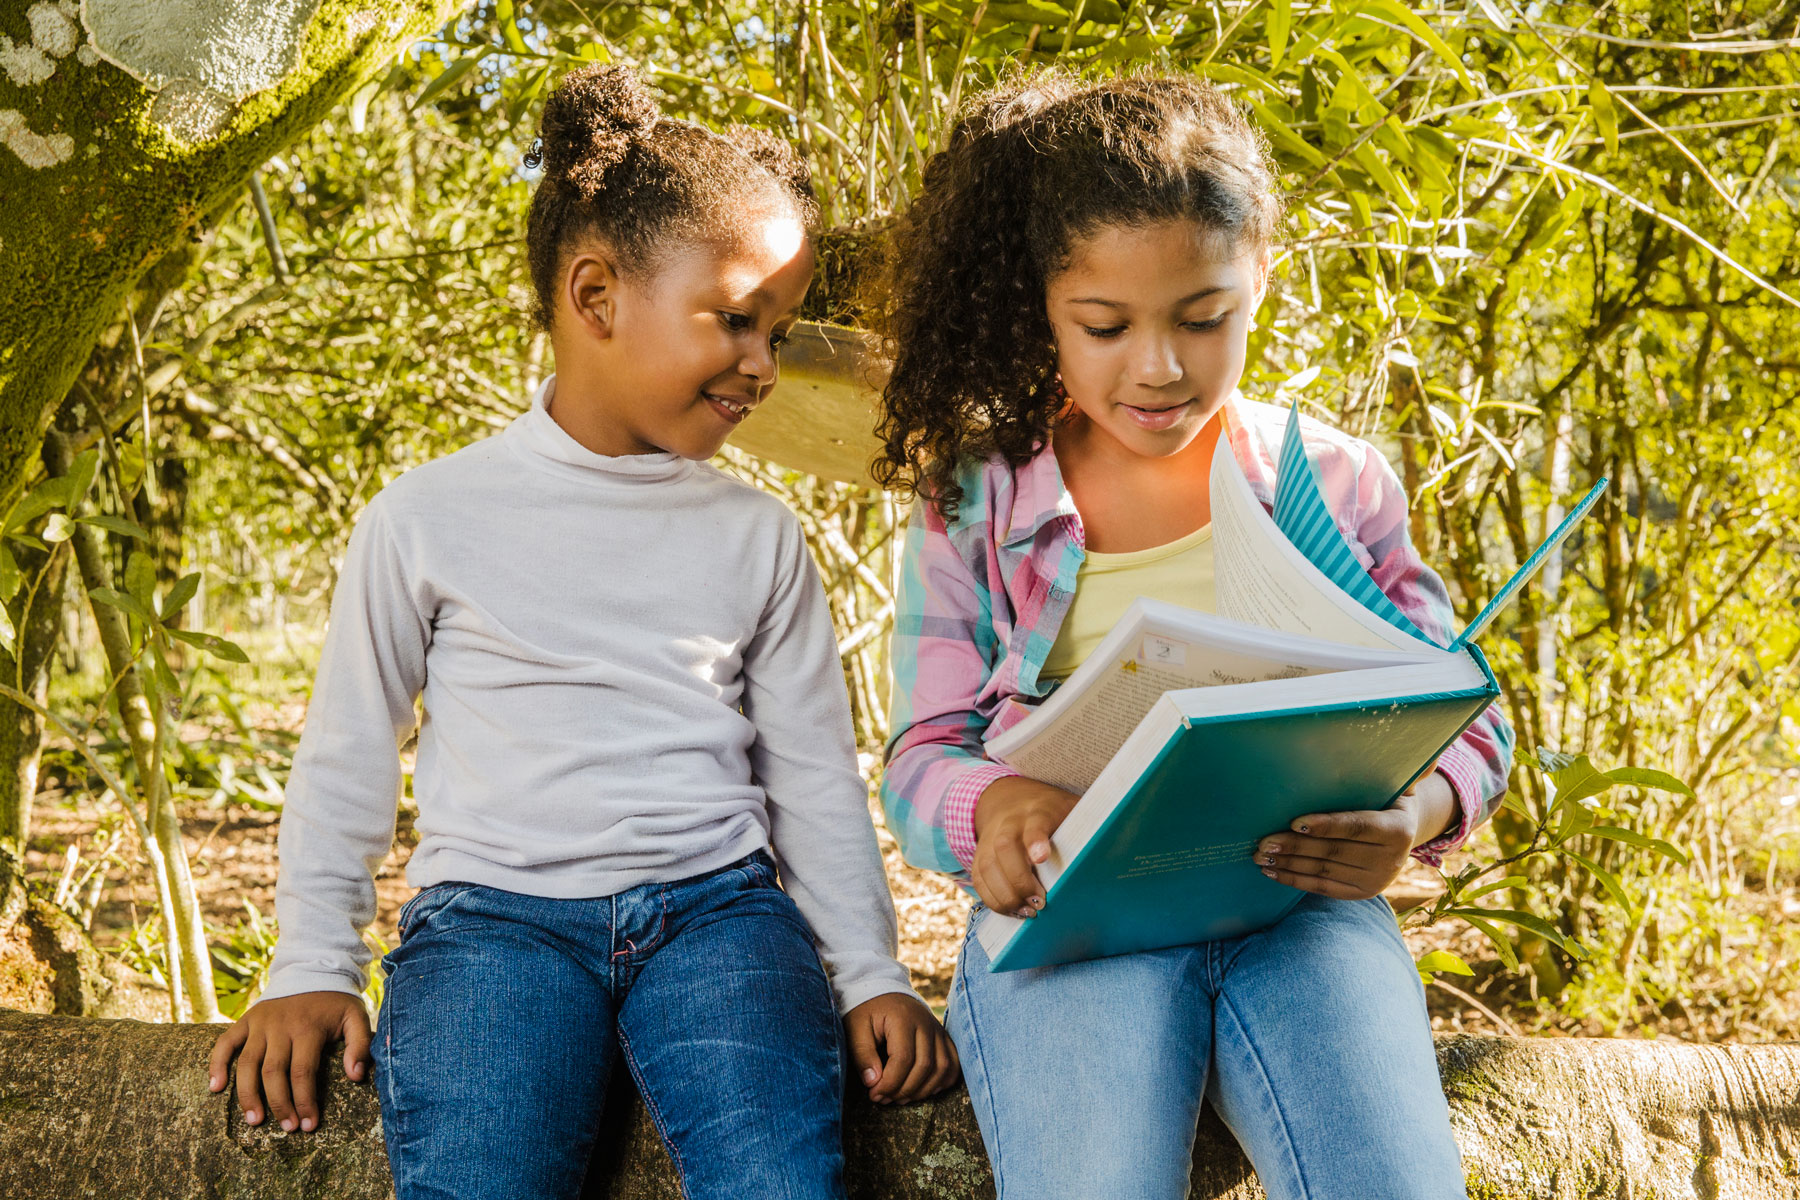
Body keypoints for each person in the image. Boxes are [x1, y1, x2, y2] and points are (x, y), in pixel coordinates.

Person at [208, 64, 957, 1200]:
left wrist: (866, 972)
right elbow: (348, 755)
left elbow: (811, 777)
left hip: (721, 917)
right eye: (738, 319)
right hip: (490, 931)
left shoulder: (758, 537)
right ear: (596, 295)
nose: (763, 362)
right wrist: (314, 962)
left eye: (781, 328)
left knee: (781, 1181)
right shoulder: (426, 517)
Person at [872, 69, 1513, 1200]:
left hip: (1299, 914)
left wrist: (1408, 817)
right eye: (1105, 326)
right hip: (1077, 925)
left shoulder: (1333, 483)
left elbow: (1464, 706)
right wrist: (993, 811)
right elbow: (920, 761)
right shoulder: (975, 502)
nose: (1158, 367)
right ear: (1041, 307)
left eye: (1205, 317)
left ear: (1261, 271)